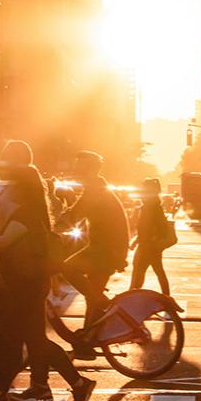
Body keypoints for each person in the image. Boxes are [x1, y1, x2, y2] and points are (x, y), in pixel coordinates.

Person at [0, 141, 96, 401]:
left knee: (23, 336)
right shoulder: (26, 206)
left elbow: (5, 241)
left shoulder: (26, 212)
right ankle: (68, 385)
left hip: (26, 282)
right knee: (32, 338)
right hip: (23, 279)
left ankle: (1, 388)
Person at [61, 151, 130, 356]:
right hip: (106, 247)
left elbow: (73, 216)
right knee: (92, 294)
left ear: (88, 169)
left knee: (67, 268)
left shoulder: (95, 190)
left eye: (79, 167)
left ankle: (101, 303)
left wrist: (47, 226)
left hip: (106, 249)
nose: (75, 171)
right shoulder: (97, 187)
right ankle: (87, 341)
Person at [130, 177, 182, 310]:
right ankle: (167, 299)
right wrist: (137, 240)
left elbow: (148, 228)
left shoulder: (151, 207)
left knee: (138, 273)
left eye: (145, 189)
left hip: (148, 246)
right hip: (151, 245)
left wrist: (141, 242)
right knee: (156, 271)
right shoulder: (153, 206)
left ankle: (130, 299)